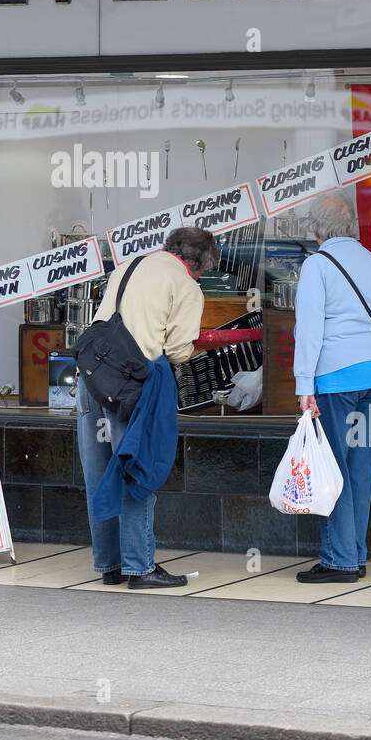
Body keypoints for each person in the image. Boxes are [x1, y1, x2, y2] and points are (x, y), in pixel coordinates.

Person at [76, 226, 220, 589]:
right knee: (136, 470)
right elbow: (177, 350)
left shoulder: (129, 265)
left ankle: (111, 566)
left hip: (91, 378)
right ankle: (139, 567)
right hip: (130, 387)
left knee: (99, 474)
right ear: (197, 264)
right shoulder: (186, 285)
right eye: (203, 270)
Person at [291, 192, 371, 584]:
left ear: (316, 228)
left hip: (336, 378)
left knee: (331, 468)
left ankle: (339, 560)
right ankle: (354, 553)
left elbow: (310, 330)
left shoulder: (317, 265)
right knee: (360, 468)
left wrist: (305, 385)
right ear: (350, 225)